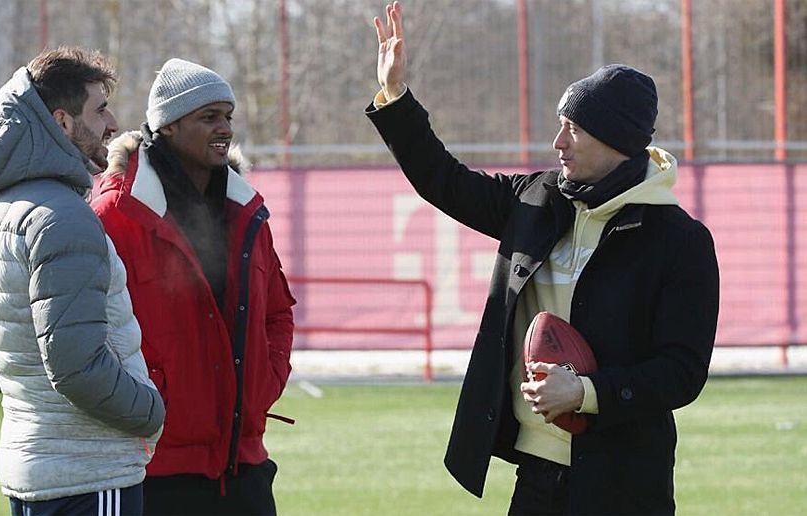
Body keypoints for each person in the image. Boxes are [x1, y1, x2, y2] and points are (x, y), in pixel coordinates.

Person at [366, 3, 720, 514]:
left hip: (625, 485)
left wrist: (586, 392)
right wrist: (396, 97)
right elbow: (444, 181)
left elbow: (682, 371)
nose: (558, 143)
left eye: (574, 129)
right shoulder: (535, 200)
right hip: (534, 477)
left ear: (618, 140)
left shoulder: (680, 240)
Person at [0, 46, 165, 515]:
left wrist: (37, 405)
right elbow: (76, 366)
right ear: (63, 122)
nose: (112, 124)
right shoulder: (63, 218)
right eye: (101, 108)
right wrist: (151, 413)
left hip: (28, 470)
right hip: (90, 473)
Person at [92, 58, 296, 516]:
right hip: (153, 474)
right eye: (209, 117)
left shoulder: (247, 213)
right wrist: (151, 400)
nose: (224, 128)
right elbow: (91, 334)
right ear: (168, 126)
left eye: (228, 116)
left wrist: (266, 381)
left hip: (245, 468)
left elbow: (278, 313)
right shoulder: (114, 216)